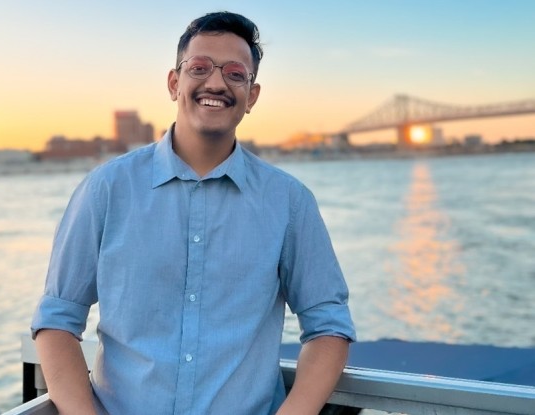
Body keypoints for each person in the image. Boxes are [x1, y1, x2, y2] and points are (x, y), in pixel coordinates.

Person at [31, 11, 356, 415]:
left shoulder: (289, 201)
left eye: (236, 74)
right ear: (174, 83)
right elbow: (58, 318)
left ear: (252, 96)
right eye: (199, 68)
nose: (216, 83)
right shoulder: (107, 189)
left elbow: (328, 325)